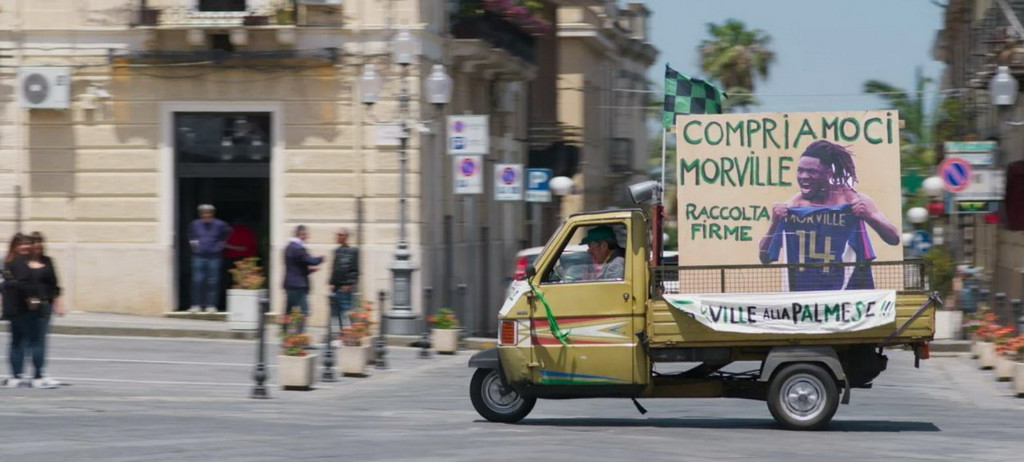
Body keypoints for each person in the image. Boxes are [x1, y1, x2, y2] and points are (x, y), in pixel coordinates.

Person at [758, 140, 901, 291]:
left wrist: (870, 217)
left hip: (849, 295)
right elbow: (764, 258)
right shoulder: (793, 207)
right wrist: (774, 223)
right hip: (806, 296)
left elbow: (894, 238)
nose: (804, 176)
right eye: (800, 171)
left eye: (811, 171)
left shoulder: (852, 201)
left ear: (828, 174)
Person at [2, 232, 65, 388]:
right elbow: (20, 285)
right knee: (24, 340)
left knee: (33, 340)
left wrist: (56, 302)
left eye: (27, 244)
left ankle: (33, 375)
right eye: (21, 244)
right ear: (14, 246)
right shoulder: (16, 262)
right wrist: (32, 299)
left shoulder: (39, 261)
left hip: (37, 305)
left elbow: (52, 284)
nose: (26, 247)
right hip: (22, 307)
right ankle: (28, 376)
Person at [187, 204, 231, 313]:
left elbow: (228, 232)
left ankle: (211, 305)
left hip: (214, 256)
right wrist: (193, 244)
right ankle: (196, 304)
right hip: (198, 255)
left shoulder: (220, 224)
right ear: (200, 214)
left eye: (208, 213)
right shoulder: (195, 224)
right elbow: (190, 234)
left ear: (212, 213)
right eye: (204, 213)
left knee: (213, 281)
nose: (206, 215)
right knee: (197, 280)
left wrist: (220, 244)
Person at [283, 225, 323, 334]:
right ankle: (299, 336)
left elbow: (296, 266)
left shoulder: (288, 247)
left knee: (288, 311)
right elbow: (310, 260)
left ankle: (285, 334)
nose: (307, 237)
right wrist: (321, 259)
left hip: (289, 284)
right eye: (306, 235)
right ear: (301, 234)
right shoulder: (298, 249)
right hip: (299, 285)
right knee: (304, 311)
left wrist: (308, 270)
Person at [328, 228, 359, 336]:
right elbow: (334, 267)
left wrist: (349, 284)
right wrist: (331, 282)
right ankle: (341, 334)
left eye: (340, 235)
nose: (338, 237)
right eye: (337, 235)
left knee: (347, 311)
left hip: (345, 287)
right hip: (336, 286)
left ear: (345, 237)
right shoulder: (337, 251)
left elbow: (355, 270)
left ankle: (351, 334)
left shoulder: (353, 251)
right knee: (337, 311)